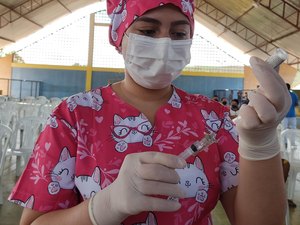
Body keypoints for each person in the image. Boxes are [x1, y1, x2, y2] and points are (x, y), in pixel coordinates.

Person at [8, 1, 291, 225]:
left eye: (179, 33)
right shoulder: (73, 117)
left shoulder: (213, 118)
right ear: (120, 37)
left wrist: (260, 145)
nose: (165, 43)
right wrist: (102, 208)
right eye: (147, 31)